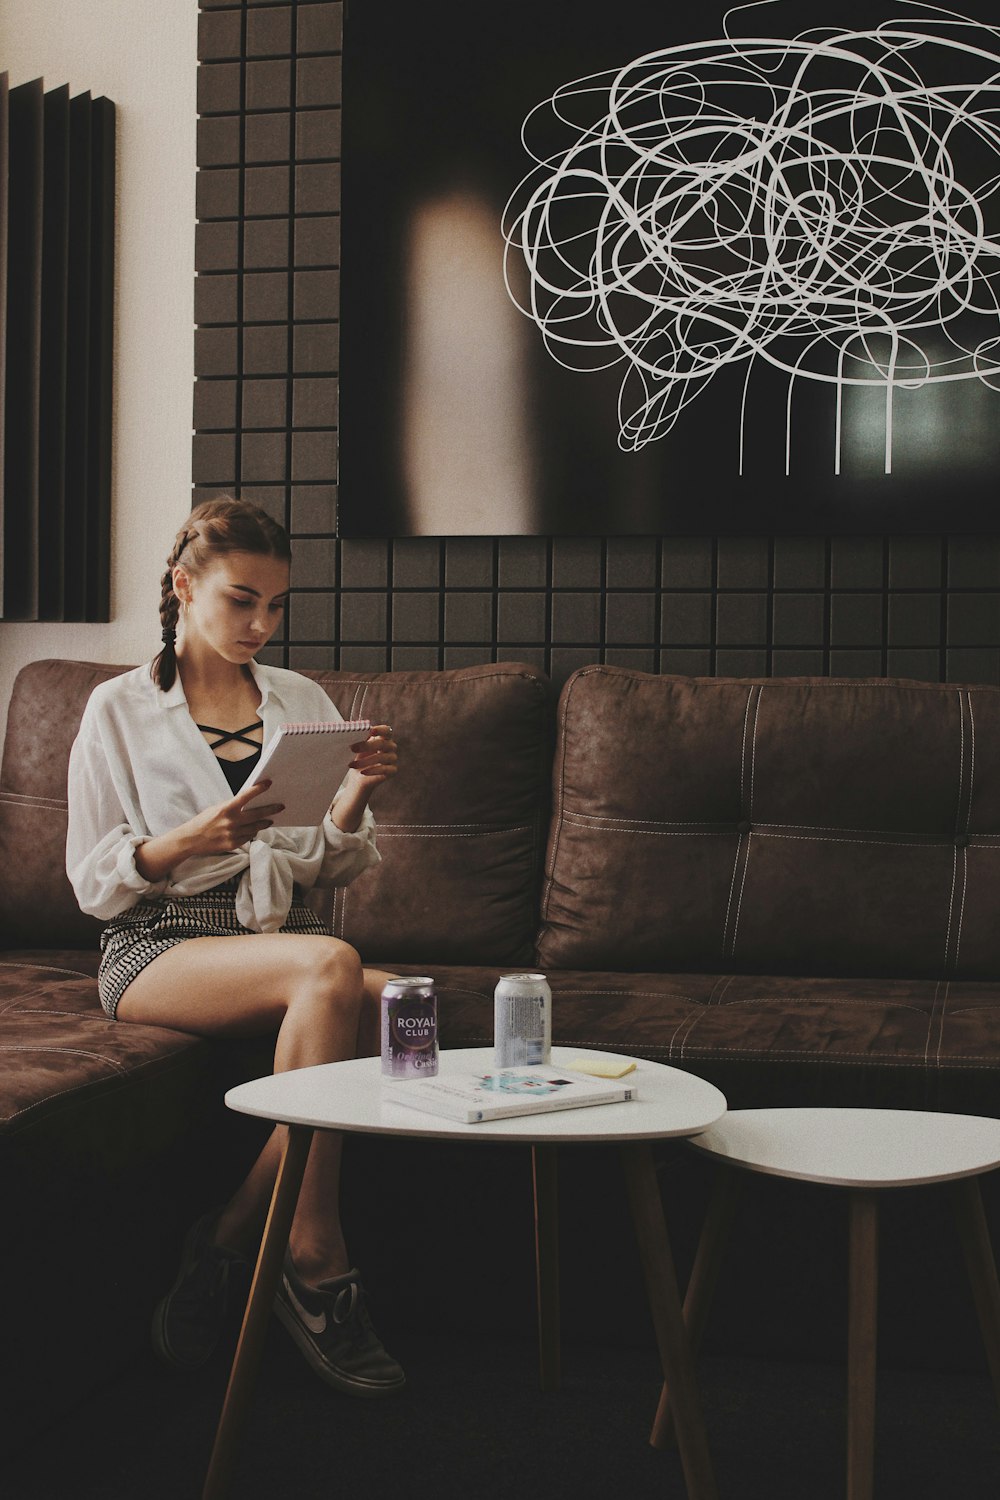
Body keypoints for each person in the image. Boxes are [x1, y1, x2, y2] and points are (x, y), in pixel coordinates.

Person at [66, 496, 405, 1398]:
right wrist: (187, 842)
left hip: (279, 935)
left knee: (410, 1004)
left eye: (277, 606)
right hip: (159, 946)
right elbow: (92, 882)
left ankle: (229, 1232)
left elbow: (326, 865)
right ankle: (314, 1252)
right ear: (184, 586)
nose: (261, 623)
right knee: (331, 964)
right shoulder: (118, 711)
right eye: (241, 600)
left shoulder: (299, 701)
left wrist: (357, 793)